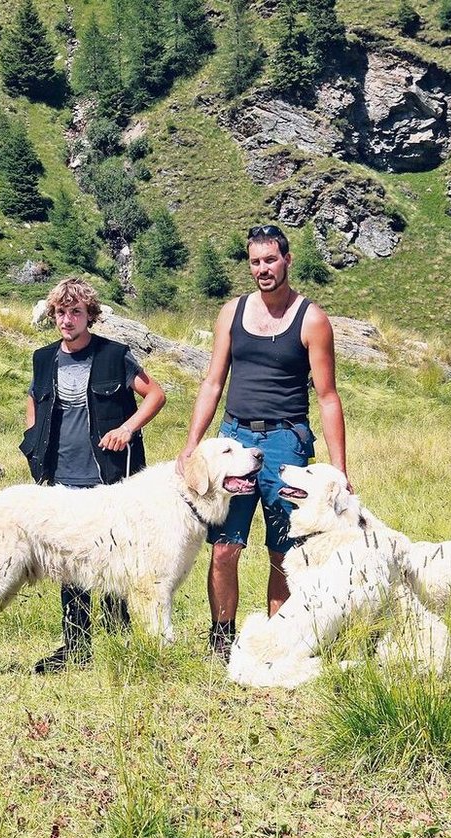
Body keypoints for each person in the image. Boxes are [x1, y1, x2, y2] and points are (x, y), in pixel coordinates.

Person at [177, 224, 347, 658]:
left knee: (283, 551)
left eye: (270, 260)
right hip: (234, 439)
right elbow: (213, 382)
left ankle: (277, 642)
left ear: (287, 260)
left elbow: (327, 398)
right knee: (224, 546)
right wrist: (193, 444)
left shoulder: (312, 319)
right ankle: (221, 641)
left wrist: (340, 470)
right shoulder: (231, 313)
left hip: (286, 442)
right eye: (255, 262)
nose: (263, 269)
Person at [20, 277, 167, 673]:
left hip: (110, 476)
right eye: (61, 313)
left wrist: (127, 429)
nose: (67, 320)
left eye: (76, 313)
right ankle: (76, 648)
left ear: (91, 316)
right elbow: (34, 398)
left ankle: (119, 643)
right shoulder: (43, 357)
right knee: (70, 562)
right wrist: (32, 442)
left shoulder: (115, 355)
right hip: (61, 473)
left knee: (114, 558)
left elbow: (156, 395)